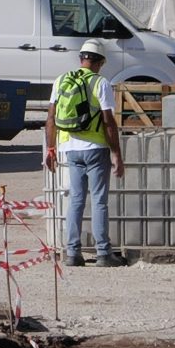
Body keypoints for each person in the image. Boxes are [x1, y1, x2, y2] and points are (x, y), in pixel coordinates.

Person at [44, 40, 126, 267]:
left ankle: (73, 253)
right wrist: (116, 154)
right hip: (95, 149)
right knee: (99, 201)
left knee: (76, 200)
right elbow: (108, 122)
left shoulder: (61, 80)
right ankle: (103, 253)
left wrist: (50, 149)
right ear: (100, 62)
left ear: (81, 59)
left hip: (70, 148)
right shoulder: (100, 83)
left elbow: (50, 118)